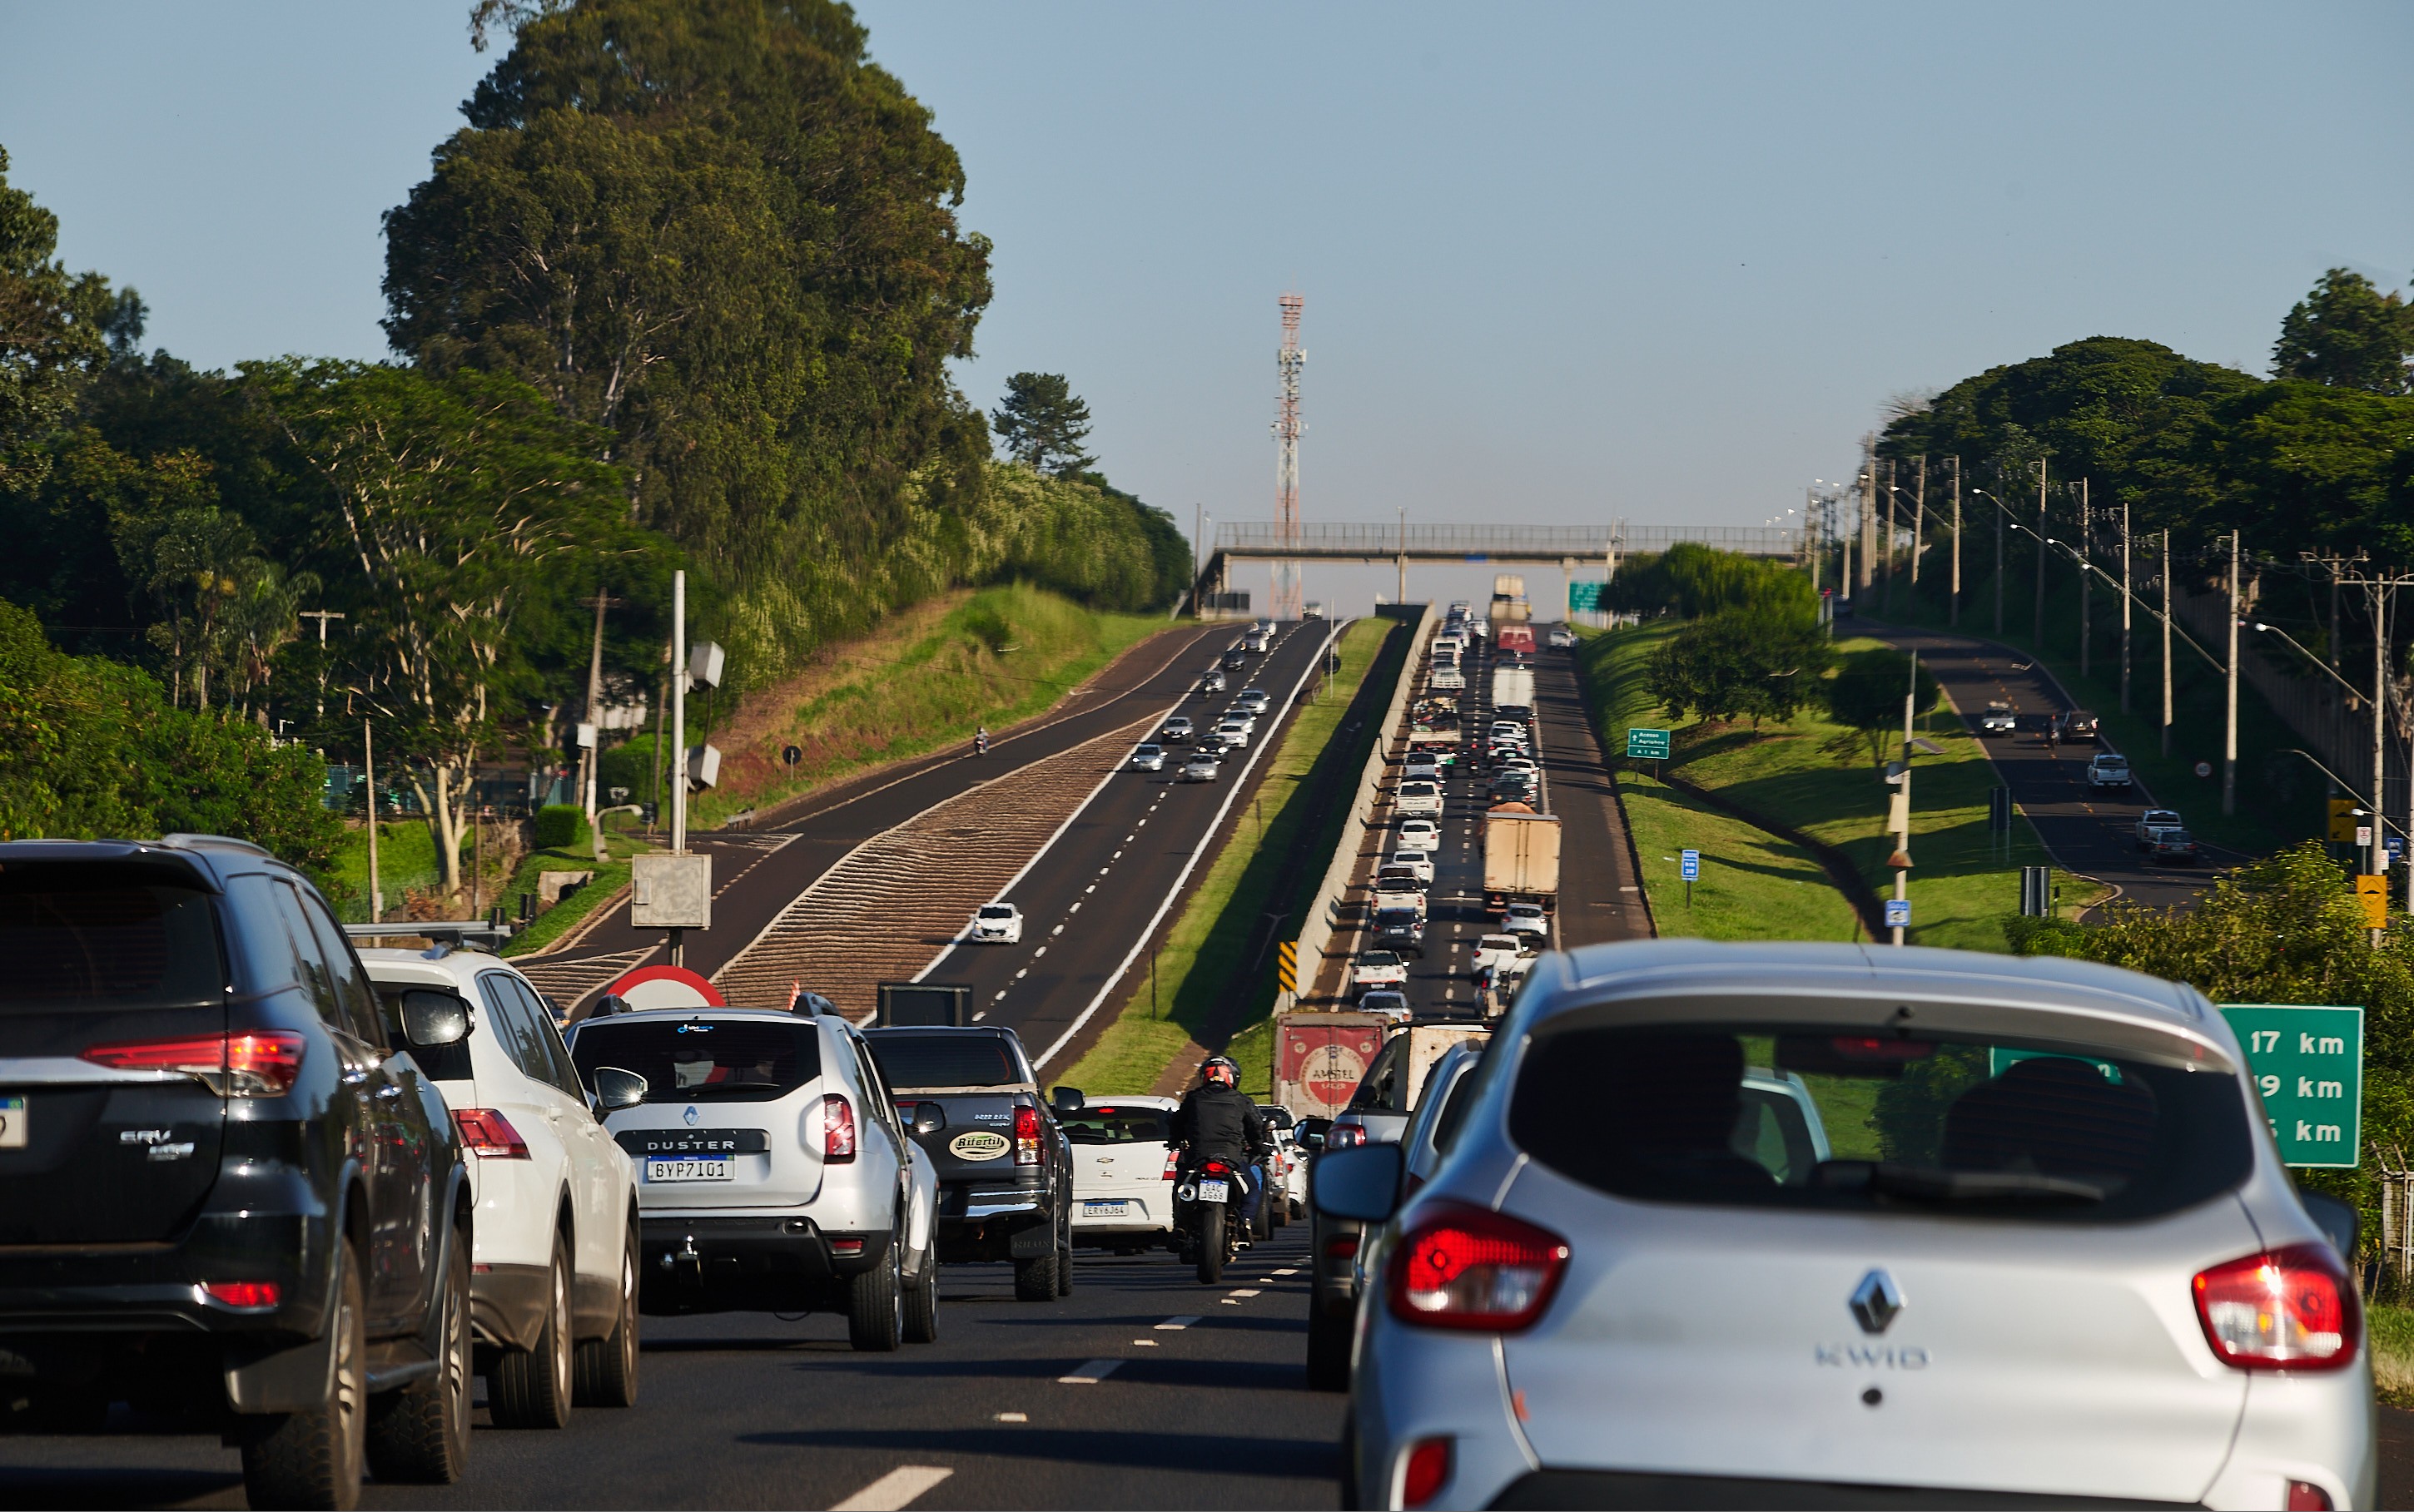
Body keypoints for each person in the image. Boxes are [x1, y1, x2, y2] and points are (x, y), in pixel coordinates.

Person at [1170, 1055, 1271, 1232]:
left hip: (1198, 1157)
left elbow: (1177, 1123)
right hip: (1231, 1157)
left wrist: (1174, 1141)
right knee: (1253, 1188)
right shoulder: (1241, 1100)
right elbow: (1255, 1127)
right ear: (1232, 1077)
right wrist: (1259, 1146)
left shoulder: (1193, 1098)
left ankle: (1180, 1222)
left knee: (1180, 1186)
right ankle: (1246, 1220)